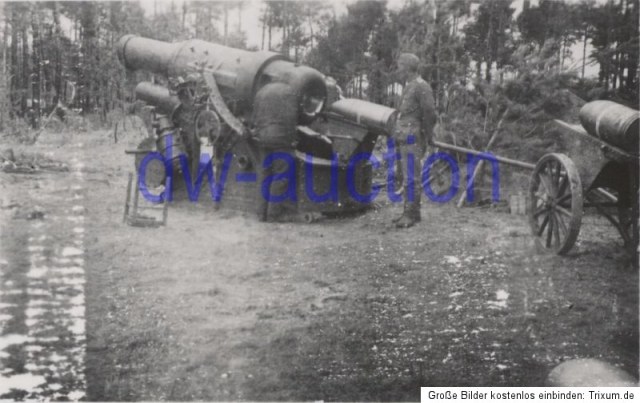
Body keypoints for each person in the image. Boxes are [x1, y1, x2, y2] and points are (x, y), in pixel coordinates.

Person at [392, 53, 437, 228]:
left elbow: (430, 113)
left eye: (400, 66)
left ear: (408, 67)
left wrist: (428, 135)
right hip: (405, 136)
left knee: (411, 176)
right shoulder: (409, 86)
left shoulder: (421, 86)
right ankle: (410, 212)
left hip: (412, 137)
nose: (398, 69)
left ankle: (410, 215)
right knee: (406, 175)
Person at [251, 81, 299, 222]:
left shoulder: (262, 91)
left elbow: (254, 117)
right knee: (281, 175)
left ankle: (261, 214)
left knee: (264, 175)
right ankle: (274, 214)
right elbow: (292, 119)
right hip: (281, 139)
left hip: (263, 138)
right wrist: (292, 139)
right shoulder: (289, 92)